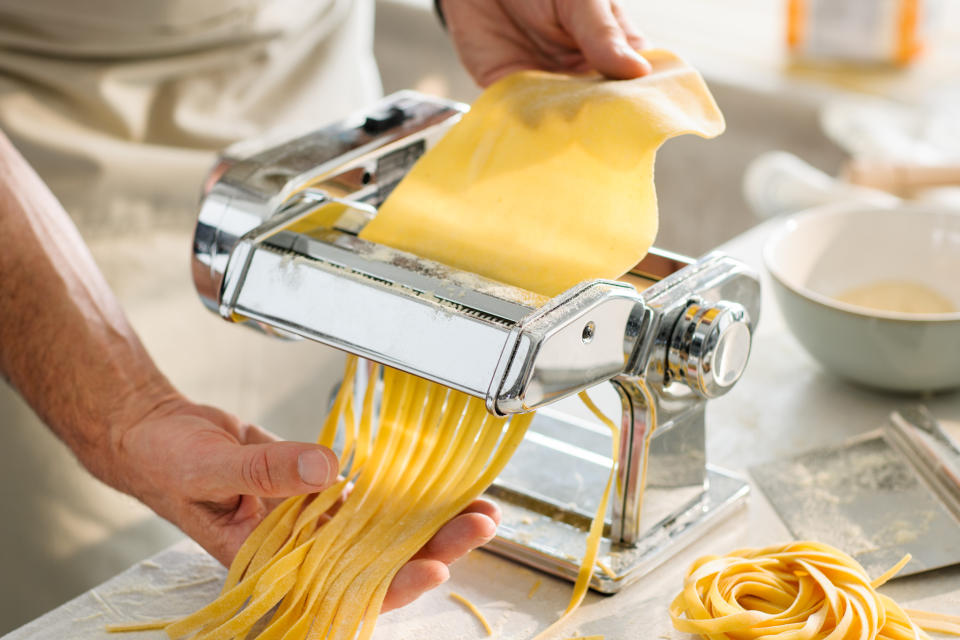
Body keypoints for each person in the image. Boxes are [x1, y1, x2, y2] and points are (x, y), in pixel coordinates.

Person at [0, 0, 648, 622]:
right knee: (132, 584)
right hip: (63, 207)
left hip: (328, 173)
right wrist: (126, 411)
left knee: (337, 500)